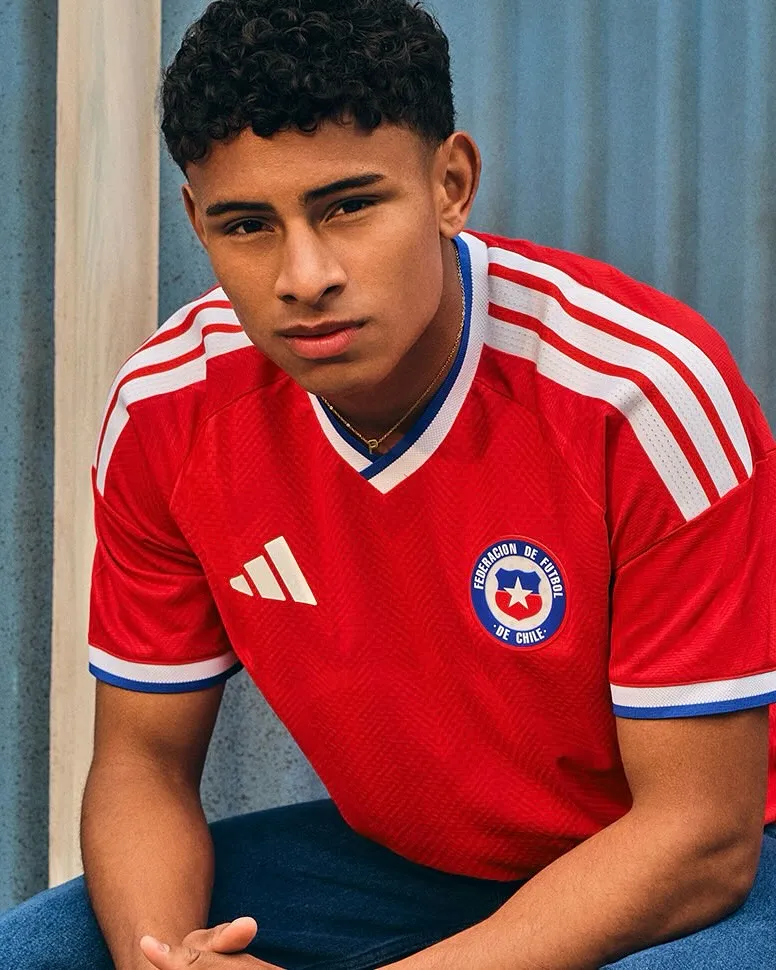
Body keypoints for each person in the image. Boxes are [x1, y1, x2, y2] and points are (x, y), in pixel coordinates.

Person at [3, 1, 776, 967]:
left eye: (350, 206)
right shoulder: (169, 412)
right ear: (198, 221)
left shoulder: (641, 400)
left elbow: (702, 840)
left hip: (692, 875)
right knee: (36, 951)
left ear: (451, 184)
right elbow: (144, 763)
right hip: (400, 870)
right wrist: (174, 961)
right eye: (249, 225)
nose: (304, 275)